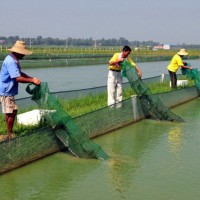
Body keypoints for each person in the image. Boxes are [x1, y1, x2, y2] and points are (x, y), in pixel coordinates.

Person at [0, 40, 41, 140]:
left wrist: (32, 79)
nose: (24, 55)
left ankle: (9, 132)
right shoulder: (10, 61)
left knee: (11, 112)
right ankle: (9, 134)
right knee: (11, 112)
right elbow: (17, 78)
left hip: (8, 90)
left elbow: (20, 73)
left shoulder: (14, 60)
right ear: (17, 52)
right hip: (6, 91)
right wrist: (32, 80)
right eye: (23, 54)